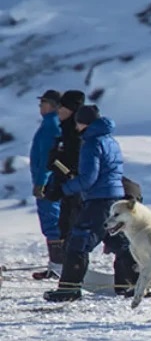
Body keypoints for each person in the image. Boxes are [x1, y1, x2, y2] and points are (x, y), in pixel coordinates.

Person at [42, 105, 137, 301]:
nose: (76, 126)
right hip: (115, 197)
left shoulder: (92, 143)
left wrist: (63, 189)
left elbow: (88, 179)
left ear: (83, 123)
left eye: (77, 122)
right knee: (118, 241)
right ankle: (130, 283)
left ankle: (69, 289)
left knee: (78, 242)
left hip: (98, 199)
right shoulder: (111, 140)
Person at [41, 89, 87, 279]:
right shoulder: (65, 131)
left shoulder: (77, 135)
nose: (59, 109)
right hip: (66, 190)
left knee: (76, 233)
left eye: (63, 106)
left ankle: (72, 279)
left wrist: (60, 174)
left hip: (76, 191)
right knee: (65, 229)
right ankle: (68, 275)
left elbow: (76, 168)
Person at [30, 90, 63, 278]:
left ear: (53, 105)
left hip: (48, 182)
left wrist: (41, 182)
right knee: (52, 220)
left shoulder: (51, 124)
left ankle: (58, 266)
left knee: (51, 221)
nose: (40, 106)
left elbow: (46, 158)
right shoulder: (50, 123)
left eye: (44, 102)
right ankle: (56, 265)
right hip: (49, 180)